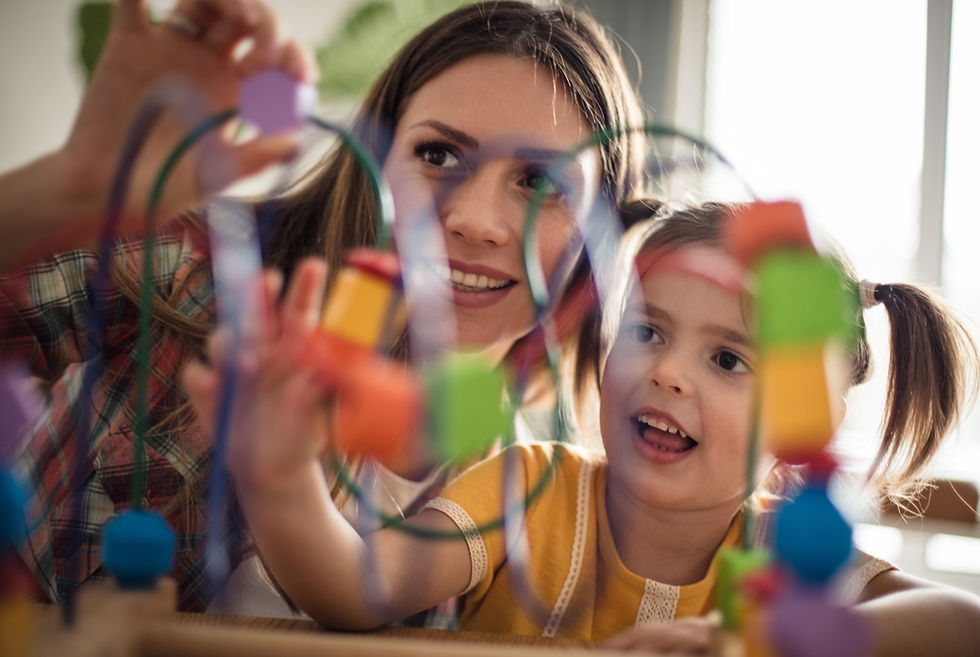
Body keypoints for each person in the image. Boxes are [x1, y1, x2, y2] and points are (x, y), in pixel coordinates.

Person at [0, 0, 647, 612]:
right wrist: (69, 185)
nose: (477, 222)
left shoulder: (529, 494)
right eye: (437, 154)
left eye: (540, 183)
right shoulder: (191, 274)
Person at [185, 200, 980, 655]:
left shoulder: (787, 555)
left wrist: (759, 637)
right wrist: (281, 479)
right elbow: (358, 592)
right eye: (647, 331)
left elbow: (960, 620)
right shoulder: (526, 488)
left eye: (729, 361)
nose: (668, 372)